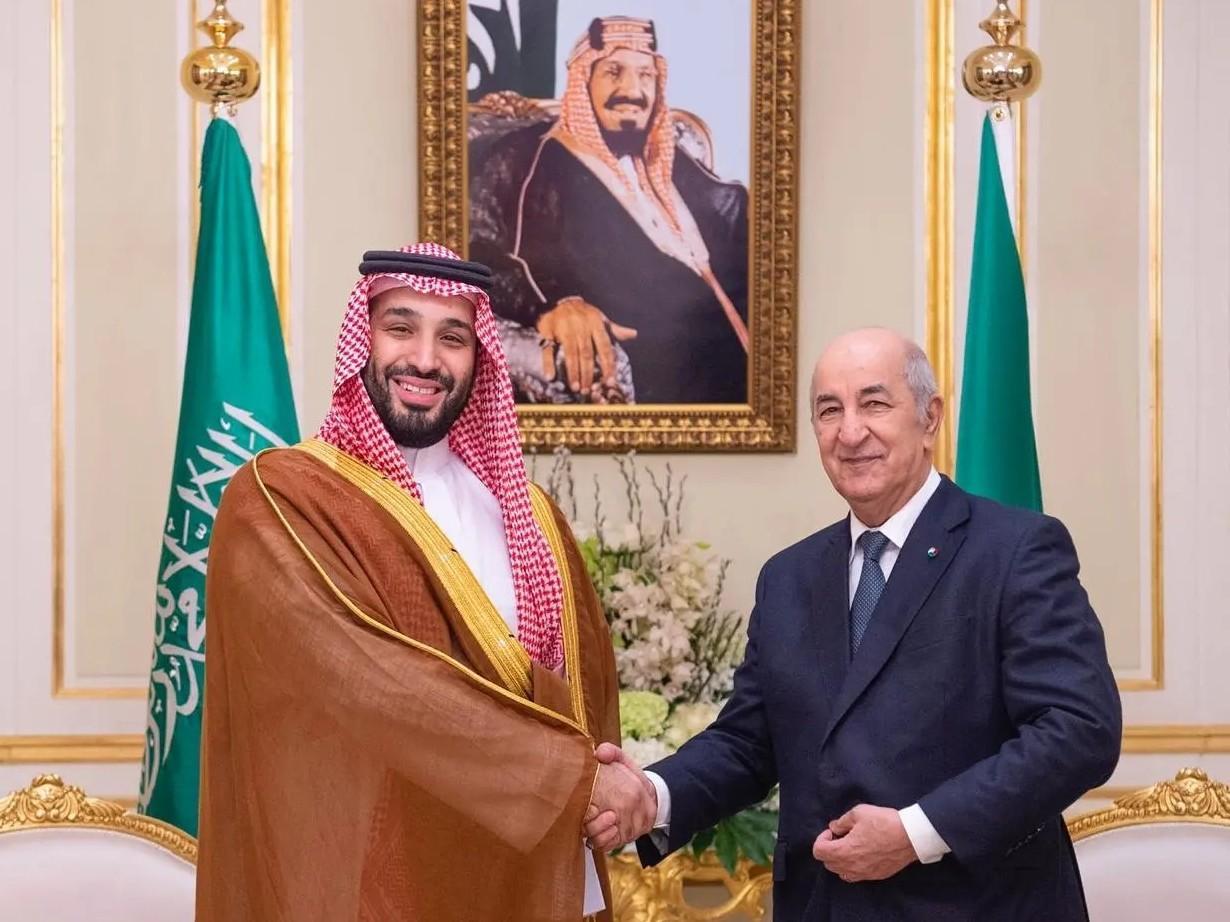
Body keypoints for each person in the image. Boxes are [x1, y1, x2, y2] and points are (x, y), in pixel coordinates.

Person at [588, 328, 1123, 919]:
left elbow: (1078, 730)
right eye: (829, 410)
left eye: (874, 403)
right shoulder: (788, 577)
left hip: (978, 906)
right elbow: (748, 742)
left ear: (929, 418)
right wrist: (653, 794)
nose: (850, 432)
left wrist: (917, 832)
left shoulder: (1015, 550)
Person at [195, 243, 653, 921]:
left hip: (527, 883)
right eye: (400, 328)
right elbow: (370, 682)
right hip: (377, 888)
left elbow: (587, 690)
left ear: (481, 356)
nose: (425, 359)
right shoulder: (281, 499)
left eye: (453, 338)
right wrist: (572, 779)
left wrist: (608, 788)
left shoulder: (530, 515)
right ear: (364, 338)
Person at [470, 15, 749, 404]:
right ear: (584, 82)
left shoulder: (674, 160)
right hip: (659, 378)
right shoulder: (530, 156)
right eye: (614, 72)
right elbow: (477, 249)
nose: (632, 90)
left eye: (645, 75)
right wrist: (553, 306)